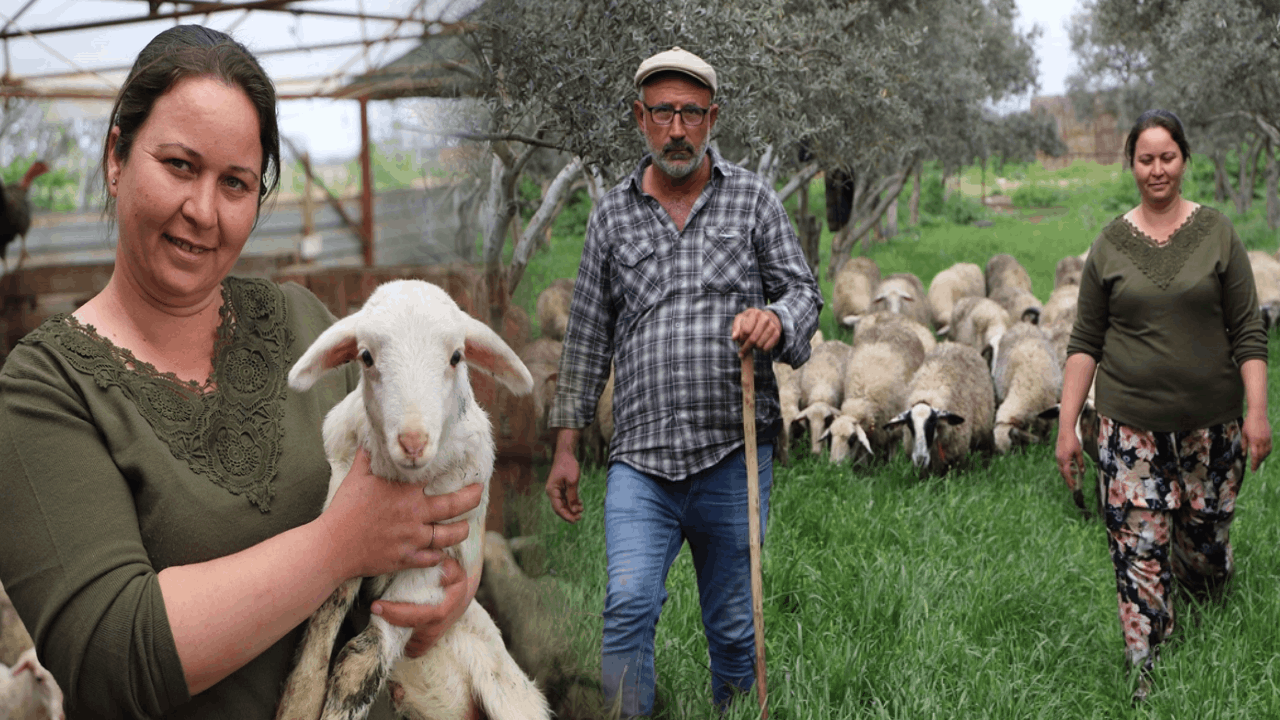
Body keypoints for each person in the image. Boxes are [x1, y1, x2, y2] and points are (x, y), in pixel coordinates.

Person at [0, 25, 483, 719]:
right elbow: (112, 658)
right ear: (116, 157)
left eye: (235, 183)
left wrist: (453, 587)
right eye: (179, 165)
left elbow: (440, 485)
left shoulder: (307, 325)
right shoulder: (44, 390)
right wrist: (337, 545)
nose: (203, 211)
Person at [544, 47, 822, 716]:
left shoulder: (752, 199)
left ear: (712, 118)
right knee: (627, 605)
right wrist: (566, 447)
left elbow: (804, 294)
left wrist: (775, 319)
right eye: (663, 113)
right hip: (640, 460)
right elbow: (587, 337)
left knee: (733, 626)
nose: (677, 129)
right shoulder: (611, 216)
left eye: (691, 114)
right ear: (639, 118)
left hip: (732, 453)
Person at [1055, 109, 1271, 702]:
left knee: (1204, 550)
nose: (1157, 170)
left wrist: (1257, 412)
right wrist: (1068, 425)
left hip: (1212, 429)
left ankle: (1203, 601)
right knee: (1137, 553)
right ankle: (1146, 674)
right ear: (1131, 164)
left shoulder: (1218, 233)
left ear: (1184, 160)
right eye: (1145, 159)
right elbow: (1085, 341)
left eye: (1167, 157)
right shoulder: (1109, 245)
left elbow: (1248, 331)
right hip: (1130, 430)